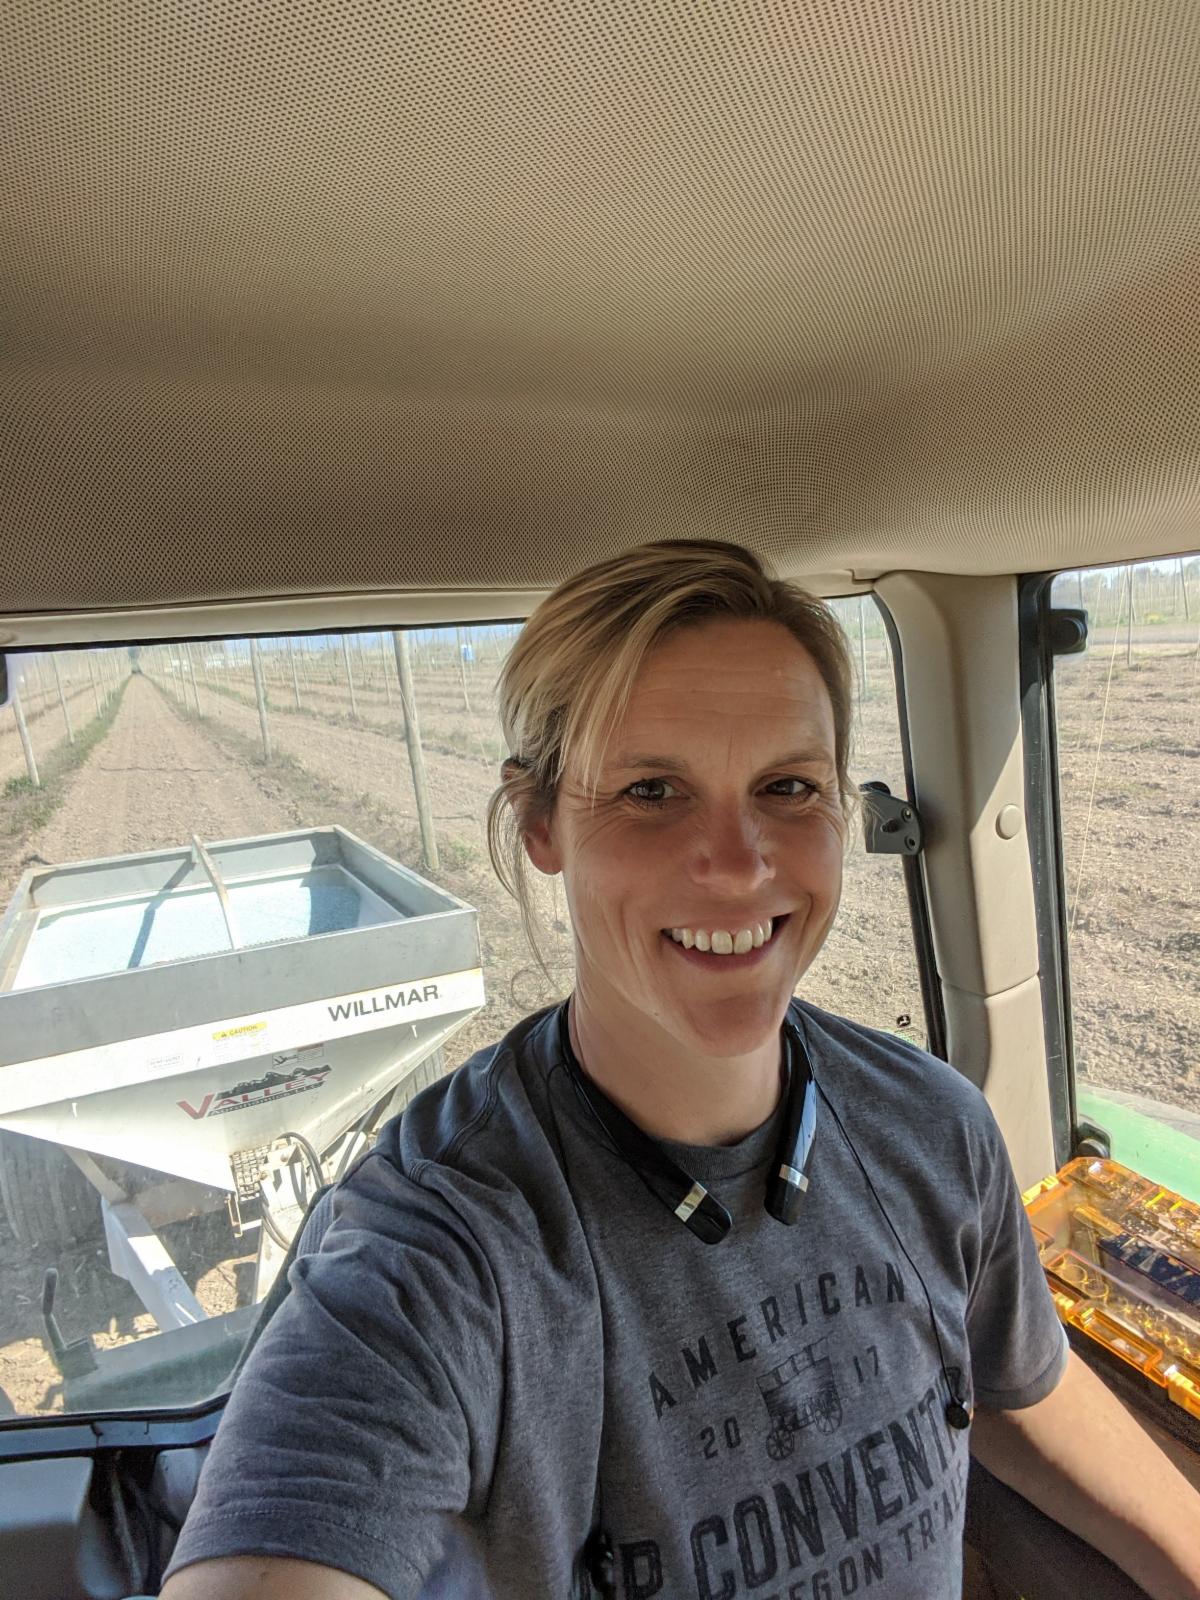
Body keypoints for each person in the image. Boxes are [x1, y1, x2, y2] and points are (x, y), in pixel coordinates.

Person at [162, 541, 1200, 1600]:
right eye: (652, 790)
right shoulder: (444, 1245)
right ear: (539, 822)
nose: (740, 864)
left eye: (788, 786)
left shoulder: (933, 1128)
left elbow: (1019, 1388)